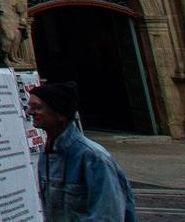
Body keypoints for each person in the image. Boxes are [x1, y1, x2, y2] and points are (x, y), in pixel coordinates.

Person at [29, 81, 138, 222]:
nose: (30, 112)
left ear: (61, 114)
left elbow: (108, 215)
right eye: (30, 107)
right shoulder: (47, 152)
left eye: (37, 107)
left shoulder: (93, 157)